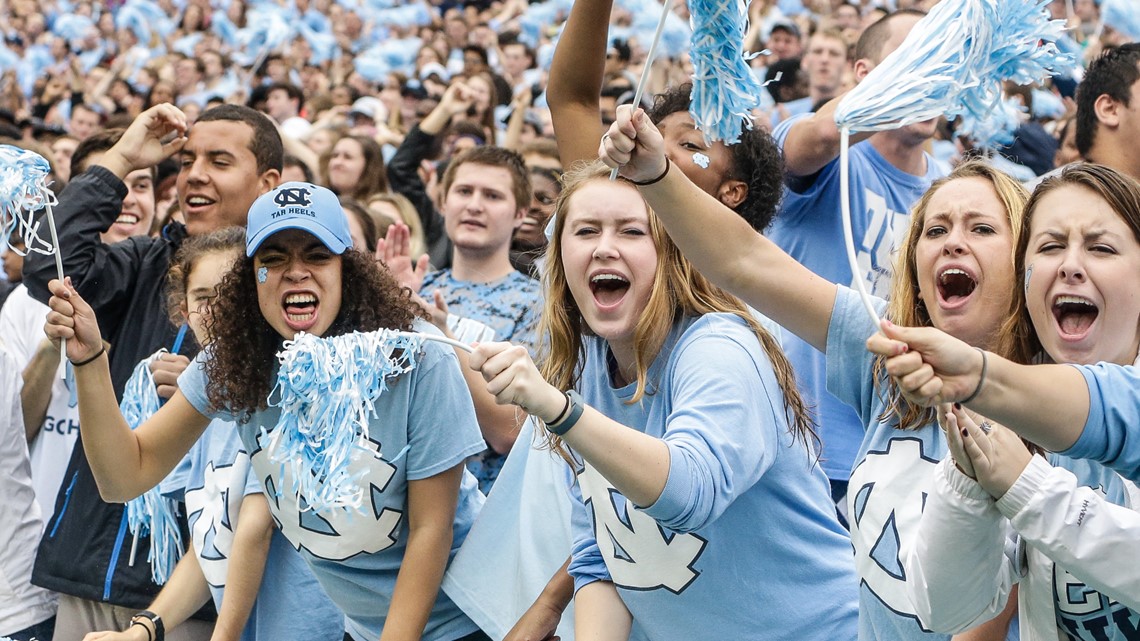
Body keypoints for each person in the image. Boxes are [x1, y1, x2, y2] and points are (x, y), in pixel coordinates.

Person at [597, 105, 1026, 641]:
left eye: (982, 228)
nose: (952, 242)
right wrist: (656, 174)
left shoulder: (1048, 395)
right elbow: (746, 263)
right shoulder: (888, 353)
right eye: (934, 229)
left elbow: (989, 606)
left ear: (1028, 259)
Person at [45, 182, 489, 641]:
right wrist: (90, 359)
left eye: (317, 255)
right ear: (249, 277)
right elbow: (125, 477)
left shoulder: (416, 355)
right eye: (273, 259)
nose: (295, 272)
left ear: (347, 271)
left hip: (473, 619)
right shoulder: (232, 362)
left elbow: (430, 532)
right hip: (369, 626)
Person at [469, 162, 859, 640]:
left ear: (673, 252)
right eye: (585, 230)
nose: (604, 248)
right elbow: (605, 549)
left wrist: (560, 411)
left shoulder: (720, 346)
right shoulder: (590, 364)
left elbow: (690, 492)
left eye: (632, 231)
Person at [22, 102, 281, 640]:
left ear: (267, 182)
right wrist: (121, 158)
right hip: (91, 572)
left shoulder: (287, 289)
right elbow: (49, 267)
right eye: (186, 161)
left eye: (219, 160)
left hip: (196, 598)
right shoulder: (145, 262)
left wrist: (206, 397)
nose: (195, 175)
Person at [904, 163, 1140, 641]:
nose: (1070, 265)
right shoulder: (1009, 417)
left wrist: (1028, 490)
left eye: (1101, 248)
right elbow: (944, 609)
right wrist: (968, 481)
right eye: (1050, 247)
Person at [81, 227, 343, 641]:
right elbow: (209, 541)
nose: (218, 311)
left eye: (231, 295)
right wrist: (146, 629)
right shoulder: (206, 393)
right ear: (183, 312)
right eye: (203, 298)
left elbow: (255, 528)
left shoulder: (284, 384)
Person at [766, 9, 944, 524]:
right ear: (864, 76)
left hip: (900, 450)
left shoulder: (950, 194)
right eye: (912, 58)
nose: (929, 76)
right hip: (801, 448)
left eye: (941, 64)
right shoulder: (827, 157)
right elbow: (818, 136)